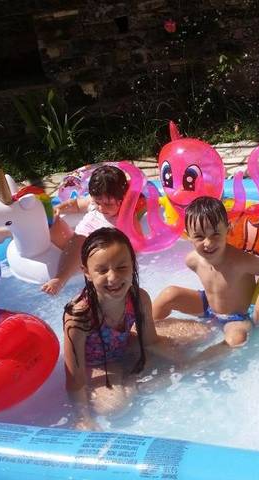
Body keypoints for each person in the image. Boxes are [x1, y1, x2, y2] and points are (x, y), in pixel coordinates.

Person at [63, 227, 188, 431]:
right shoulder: (78, 315)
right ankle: (133, 380)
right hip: (98, 364)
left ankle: (132, 377)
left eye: (122, 267)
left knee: (201, 336)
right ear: (86, 272)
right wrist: (82, 417)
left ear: (133, 264)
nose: (113, 278)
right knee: (114, 408)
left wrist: (184, 361)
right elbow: (74, 377)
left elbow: (151, 341)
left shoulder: (139, 298)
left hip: (126, 345)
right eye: (102, 270)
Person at [152, 196, 259, 347]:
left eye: (215, 234)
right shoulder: (193, 261)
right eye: (199, 236)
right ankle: (141, 332)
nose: (208, 243)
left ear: (228, 229)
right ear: (188, 235)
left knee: (235, 339)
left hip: (237, 318)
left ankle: (197, 364)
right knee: (169, 294)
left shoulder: (241, 261)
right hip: (208, 307)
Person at [42, 165, 129, 295]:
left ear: (123, 199)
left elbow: (133, 240)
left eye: (108, 204)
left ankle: (60, 279)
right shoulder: (94, 202)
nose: (100, 208)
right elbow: (76, 204)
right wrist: (59, 208)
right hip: (74, 240)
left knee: (80, 241)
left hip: (96, 251)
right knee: (53, 223)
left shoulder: (126, 215)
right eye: (97, 202)